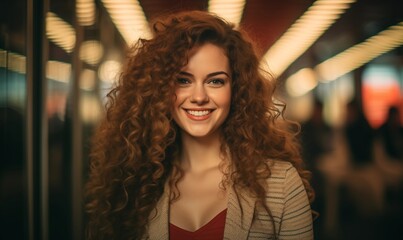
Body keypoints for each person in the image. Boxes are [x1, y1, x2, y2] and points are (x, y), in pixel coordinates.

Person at [85, 10, 314, 240]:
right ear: (160, 89)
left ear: (236, 90)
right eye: (183, 80)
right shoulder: (132, 183)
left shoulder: (282, 184)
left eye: (215, 81)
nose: (199, 96)